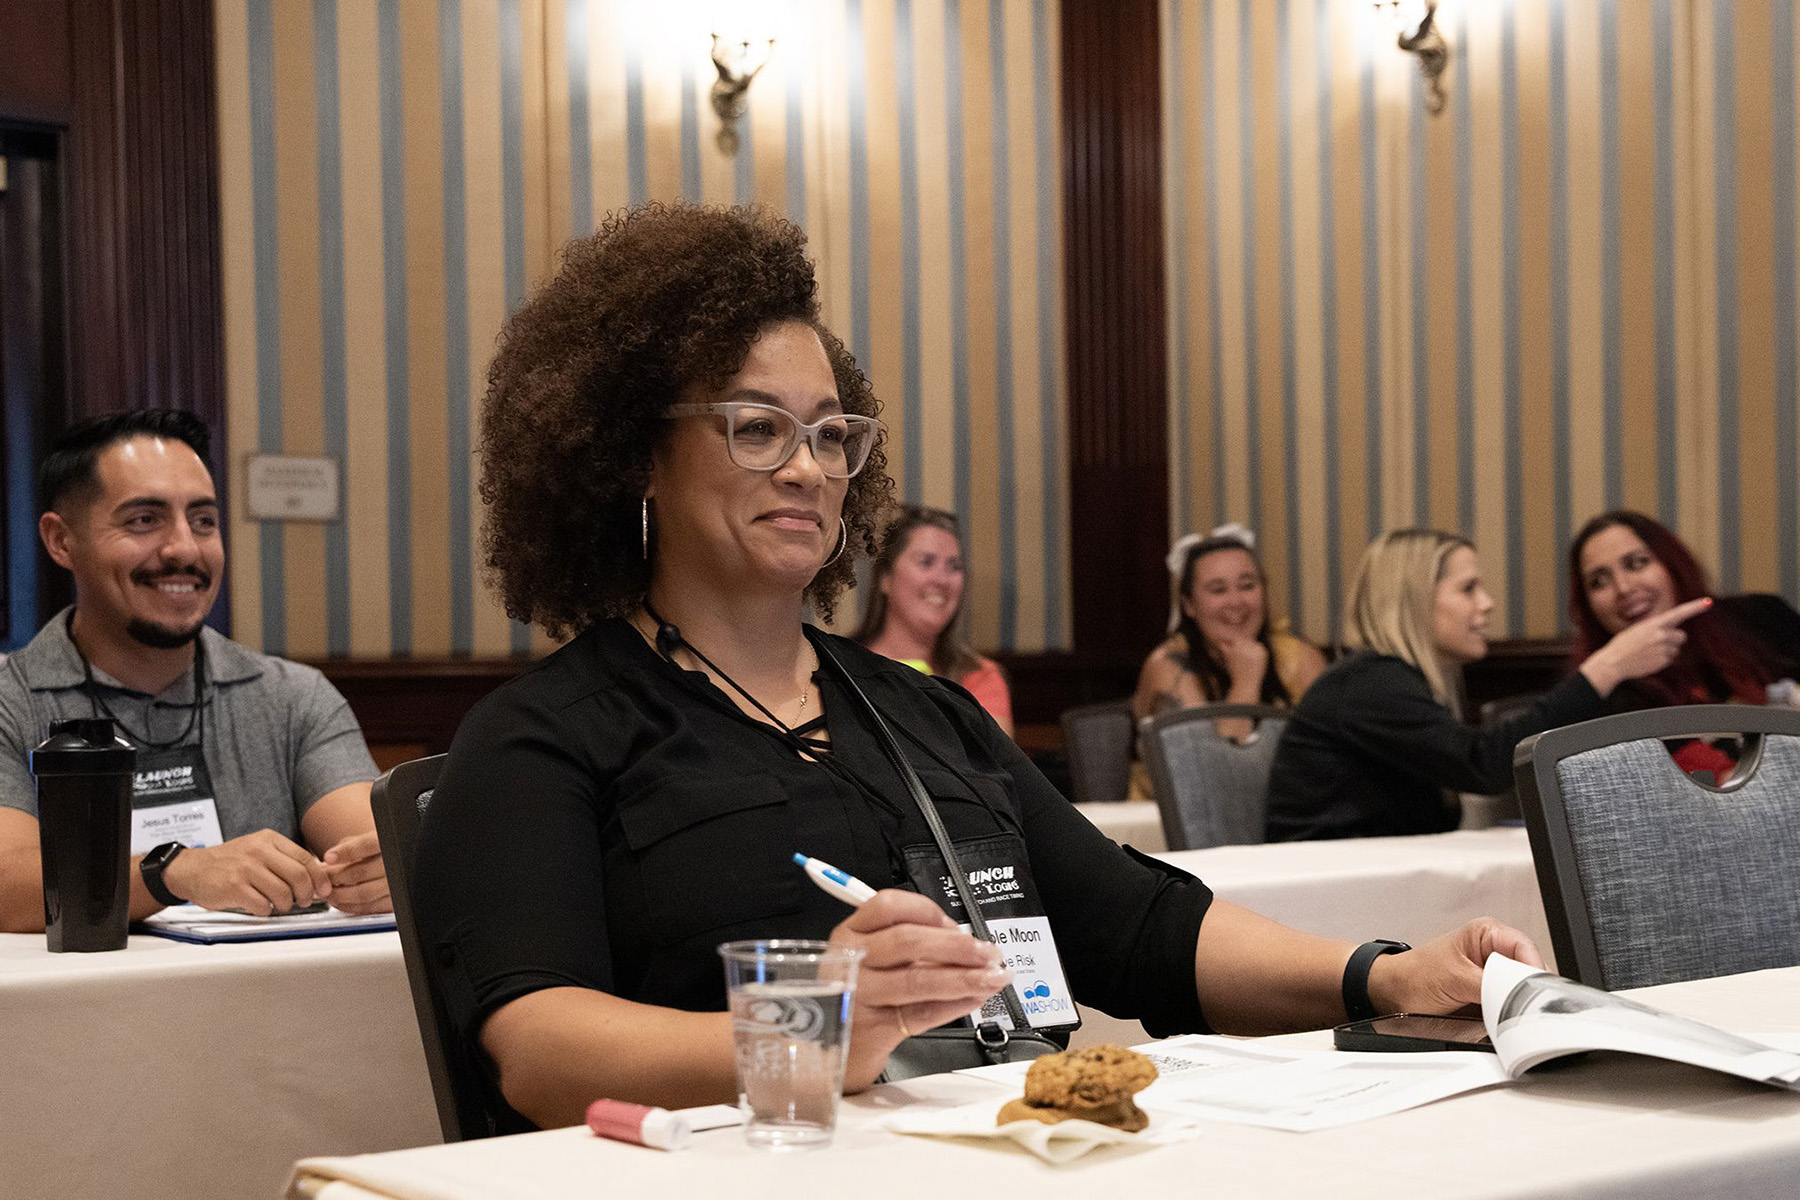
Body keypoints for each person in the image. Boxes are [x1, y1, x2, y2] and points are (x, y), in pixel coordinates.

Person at [412, 203, 1547, 1135]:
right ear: (630, 456)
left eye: (829, 434)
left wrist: (1384, 977)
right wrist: (820, 1030)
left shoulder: (926, 716)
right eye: (757, 428)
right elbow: (535, 1050)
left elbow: (1141, 925)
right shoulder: (544, 738)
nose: (808, 468)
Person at [0, 410, 388, 932]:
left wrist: (380, 869)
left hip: (269, 1004)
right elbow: (5, 882)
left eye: (203, 521)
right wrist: (174, 872)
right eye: (144, 520)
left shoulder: (292, 696)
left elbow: (364, 843)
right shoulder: (12, 698)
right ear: (61, 541)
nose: (185, 548)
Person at [1265, 528, 1708, 841]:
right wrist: (1606, 667)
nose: (1487, 603)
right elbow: (1485, 765)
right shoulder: (1369, 684)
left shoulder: (1391, 681)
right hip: (1321, 892)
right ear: (1417, 600)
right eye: (1468, 588)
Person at [1569, 510, 1800, 778]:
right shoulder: (1604, 696)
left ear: (1672, 565)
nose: (1623, 588)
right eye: (1599, 581)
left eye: (1636, 563)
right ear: (1587, 606)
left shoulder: (1761, 616)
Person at [1132, 525, 1328, 742]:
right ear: (1189, 605)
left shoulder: (1299, 656)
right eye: (1218, 590)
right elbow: (1204, 770)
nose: (1236, 602)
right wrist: (1246, 683)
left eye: (1247, 586)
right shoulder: (1169, 667)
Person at [854, 505, 1013, 735]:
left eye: (954, 567)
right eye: (926, 562)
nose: (942, 580)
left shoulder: (979, 676)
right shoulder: (840, 665)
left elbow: (993, 767)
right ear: (884, 578)